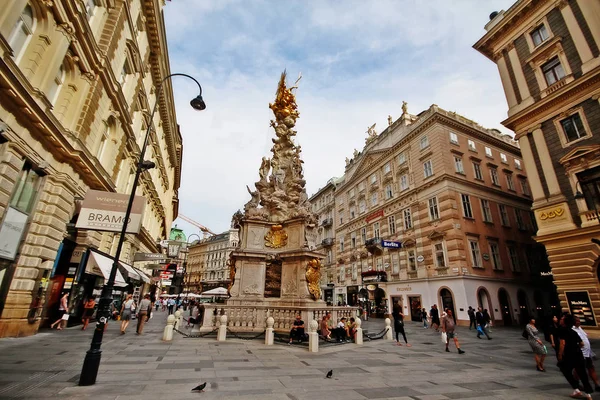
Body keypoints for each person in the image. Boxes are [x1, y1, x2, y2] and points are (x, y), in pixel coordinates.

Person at [558, 313, 593, 399]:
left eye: (562, 319)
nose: (561, 319)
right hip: (578, 354)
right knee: (583, 373)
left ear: (565, 321)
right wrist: (576, 347)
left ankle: (576, 388)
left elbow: (562, 343)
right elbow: (581, 343)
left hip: (569, 354)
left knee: (564, 369)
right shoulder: (574, 331)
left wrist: (560, 354)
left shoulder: (563, 330)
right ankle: (588, 394)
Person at [572, 316, 600, 392]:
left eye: (579, 320)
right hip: (580, 354)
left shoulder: (579, 328)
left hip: (587, 354)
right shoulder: (572, 330)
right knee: (578, 371)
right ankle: (576, 384)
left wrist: (591, 353)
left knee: (591, 368)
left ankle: (597, 385)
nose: (579, 322)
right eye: (577, 321)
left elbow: (585, 339)